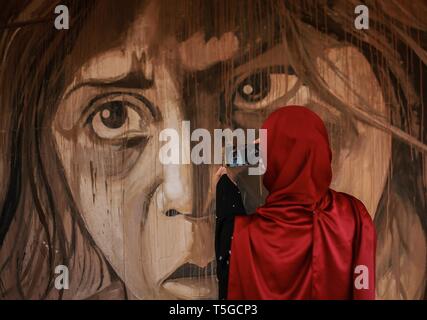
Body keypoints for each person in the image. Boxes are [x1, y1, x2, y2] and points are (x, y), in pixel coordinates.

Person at [216, 106, 376, 300]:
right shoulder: (354, 214)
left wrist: (231, 171)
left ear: (269, 160)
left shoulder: (245, 237)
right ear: (324, 151)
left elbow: (229, 277)